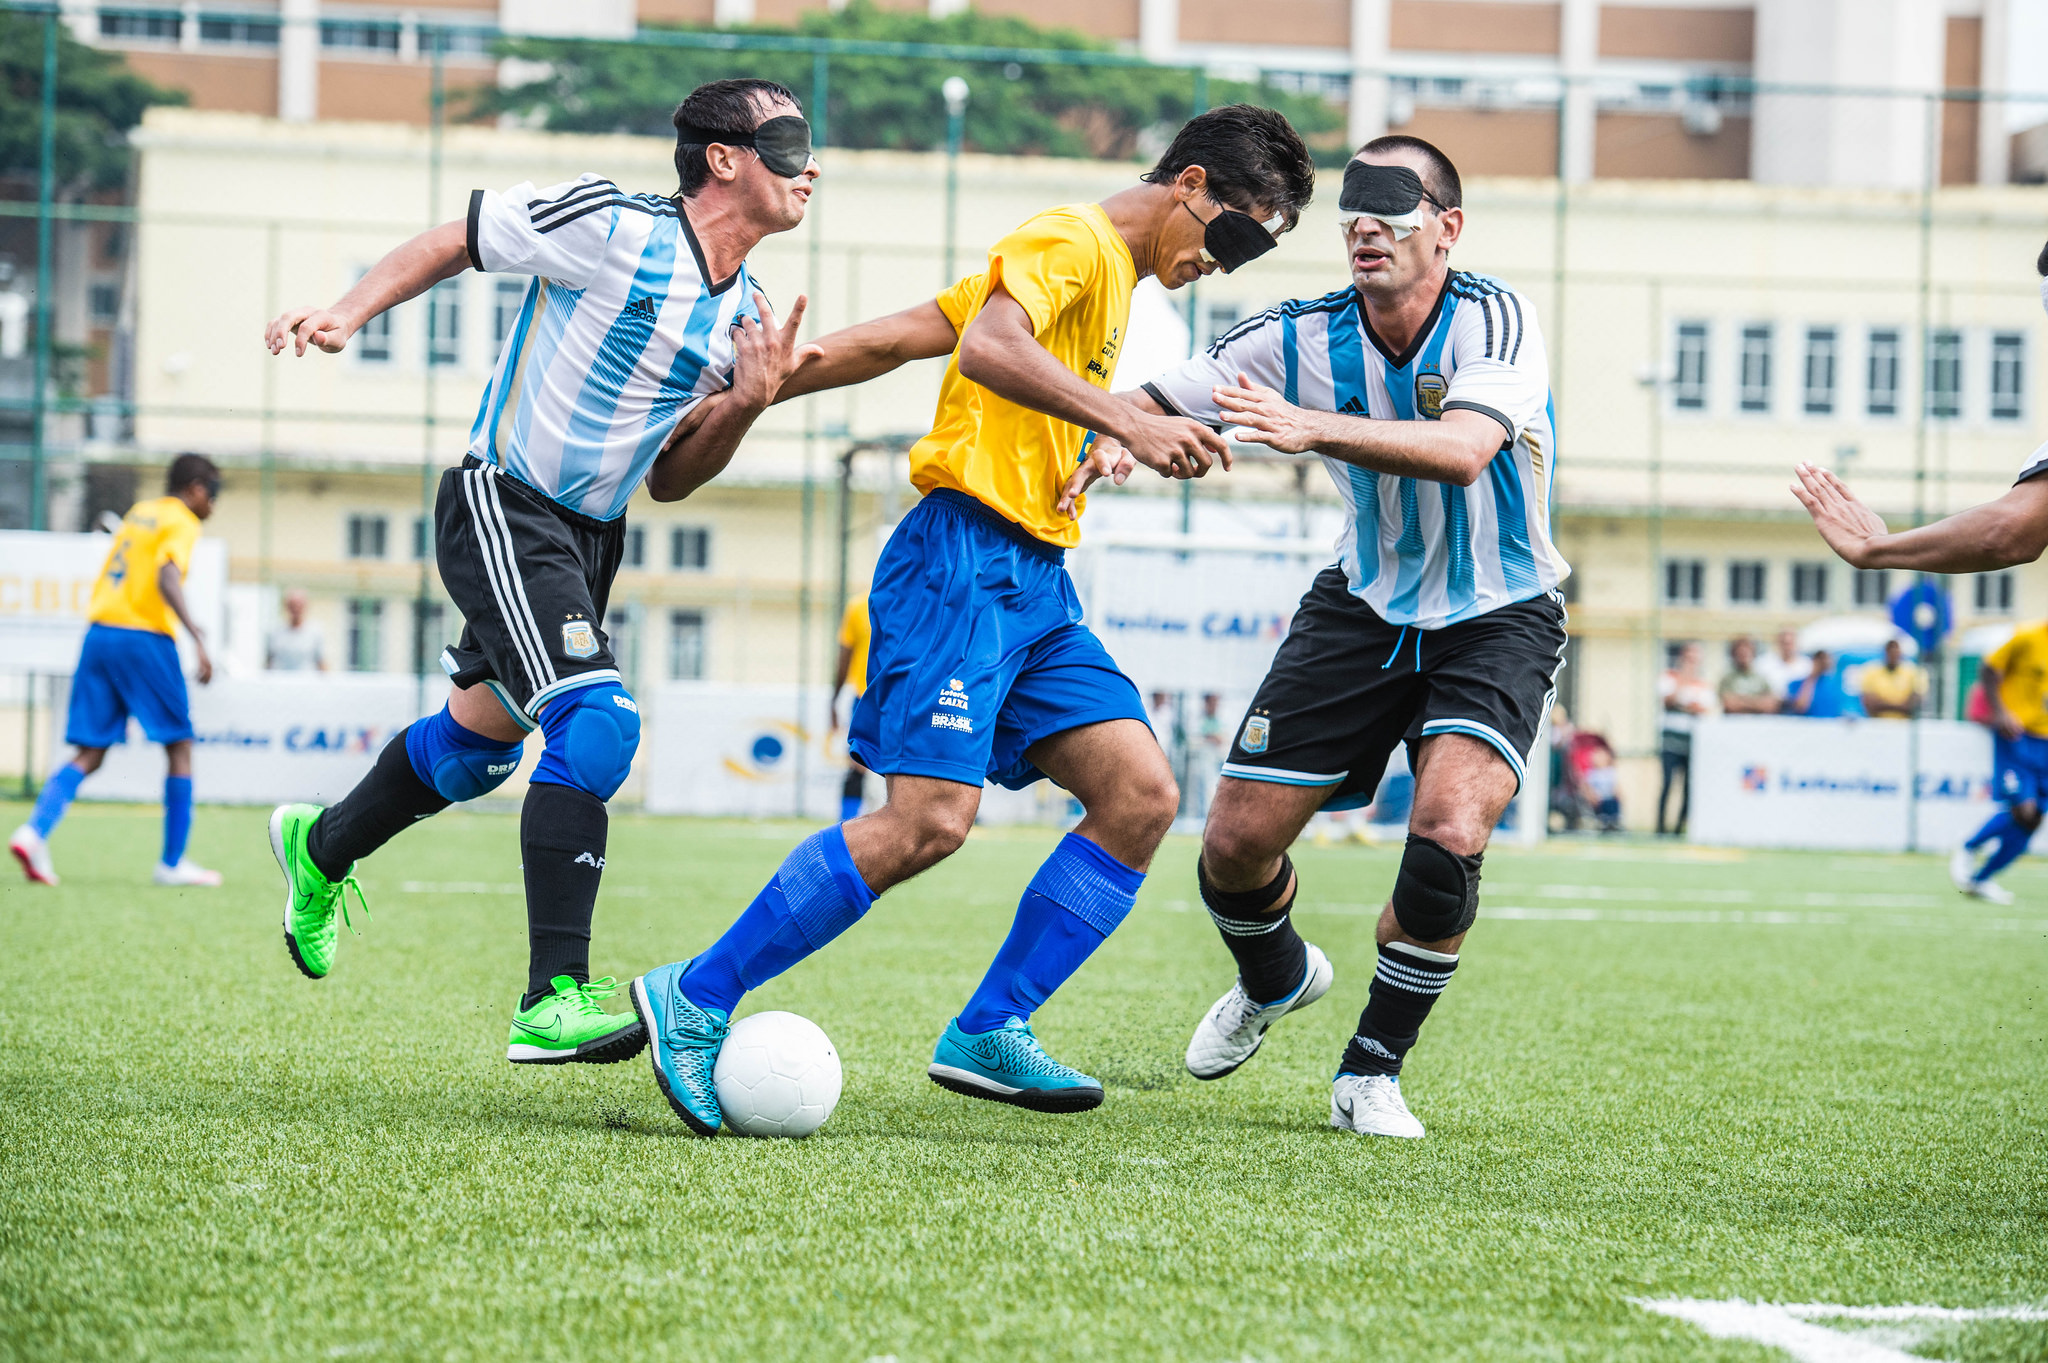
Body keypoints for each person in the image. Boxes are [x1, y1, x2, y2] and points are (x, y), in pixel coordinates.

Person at [628, 104, 1316, 1136]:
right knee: (927, 822)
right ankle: (695, 994)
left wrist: (765, 380)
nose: (1229, 261)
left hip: (1035, 581)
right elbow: (991, 349)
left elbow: (903, 336)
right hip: (957, 561)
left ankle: (989, 1027)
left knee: (1137, 795)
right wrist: (1124, 412)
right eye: (1238, 234)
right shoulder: (1069, 239)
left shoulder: (1106, 276)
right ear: (1190, 187)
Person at [257, 78, 820, 1066]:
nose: (809, 166)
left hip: (590, 538)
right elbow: (453, 240)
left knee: (477, 751)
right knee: (598, 724)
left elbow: (676, 478)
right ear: (724, 158)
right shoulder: (611, 224)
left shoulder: (750, 312)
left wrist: (745, 404)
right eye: (788, 143)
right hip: (500, 500)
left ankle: (320, 845)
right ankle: (550, 997)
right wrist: (350, 312)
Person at [1078, 135, 1570, 1139]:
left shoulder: (1497, 321)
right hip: (1362, 604)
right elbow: (1157, 399)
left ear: (1448, 227)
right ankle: (1275, 974)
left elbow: (1465, 450)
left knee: (1445, 837)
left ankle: (1369, 1071)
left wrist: (1311, 428)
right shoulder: (1296, 335)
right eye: (1353, 209)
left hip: (1498, 611)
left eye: (1392, 208)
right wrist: (1108, 438)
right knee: (1231, 846)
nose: (1364, 227)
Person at [10, 454, 225, 888]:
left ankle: (34, 833)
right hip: (143, 637)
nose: (213, 506)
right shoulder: (183, 520)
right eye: (214, 494)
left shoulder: (141, 512)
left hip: (100, 634)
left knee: (92, 752)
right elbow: (167, 577)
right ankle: (172, 862)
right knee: (180, 746)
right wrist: (198, 638)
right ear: (197, 488)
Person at [1949, 622, 2048, 905]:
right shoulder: (2028, 638)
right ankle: (1969, 846)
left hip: (2046, 741)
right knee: (2023, 809)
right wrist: (2001, 712)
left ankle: (1980, 880)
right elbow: (1988, 669)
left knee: (2035, 818)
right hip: (2017, 736)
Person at [1657, 642, 1714, 836]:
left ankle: (1679, 828)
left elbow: (1702, 709)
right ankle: (1660, 827)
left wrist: (1683, 704)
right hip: (1670, 741)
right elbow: (1669, 700)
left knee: (1688, 787)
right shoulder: (1670, 677)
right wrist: (1684, 681)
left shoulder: (1703, 684)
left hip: (1691, 742)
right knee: (1667, 784)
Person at [829, 592, 871, 823]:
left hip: (873, 697)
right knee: (858, 765)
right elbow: (845, 656)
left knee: (858, 764)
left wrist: (833, 700)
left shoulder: (860, 604)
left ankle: (845, 825)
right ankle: (846, 825)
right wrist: (834, 700)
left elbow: (844, 657)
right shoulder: (858, 606)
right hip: (867, 697)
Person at [1860, 638, 1926, 719]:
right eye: (1890, 652)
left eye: (1895, 652)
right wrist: (1901, 706)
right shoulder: (1871, 672)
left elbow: (1915, 704)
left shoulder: (1914, 672)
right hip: (1877, 724)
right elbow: (1870, 704)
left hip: (1905, 725)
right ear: (1885, 653)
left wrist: (1883, 705)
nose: (1893, 655)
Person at [266, 588, 327, 672]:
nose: (296, 609)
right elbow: (269, 661)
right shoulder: (274, 631)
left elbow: (321, 662)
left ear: (306, 606)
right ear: (286, 606)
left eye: (299, 605)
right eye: (292, 605)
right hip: (280, 682)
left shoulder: (315, 632)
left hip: (307, 682)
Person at [1717, 636, 1779, 715]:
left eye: (1747, 653)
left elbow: (1770, 705)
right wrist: (1757, 702)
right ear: (1734, 655)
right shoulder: (1727, 678)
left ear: (1753, 654)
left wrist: (1741, 700)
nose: (1744, 656)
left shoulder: (1761, 678)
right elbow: (1730, 704)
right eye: (1740, 653)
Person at [1192, 691, 1228, 817]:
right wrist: (1211, 738)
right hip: (1205, 762)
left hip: (1219, 762)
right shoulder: (1198, 721)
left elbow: (1225, 740)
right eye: (1212, 702)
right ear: (1206, 703)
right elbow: (1194, 742)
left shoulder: (1221, 720)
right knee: (1207, 791)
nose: (1215, 706)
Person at [1784, 649, 1850, 718]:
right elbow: (1801, 706)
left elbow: (1841, 709)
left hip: (1830, 726)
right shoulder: (1796, 684)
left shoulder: (1835, 685)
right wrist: (1812, 677)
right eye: (1821, 660)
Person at [1755, 628, 1808, 697]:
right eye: (1784, 643)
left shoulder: (1807, 665)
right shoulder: (1763, 663)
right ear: (1778, 642)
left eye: (1790, 643)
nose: (1787, 647)